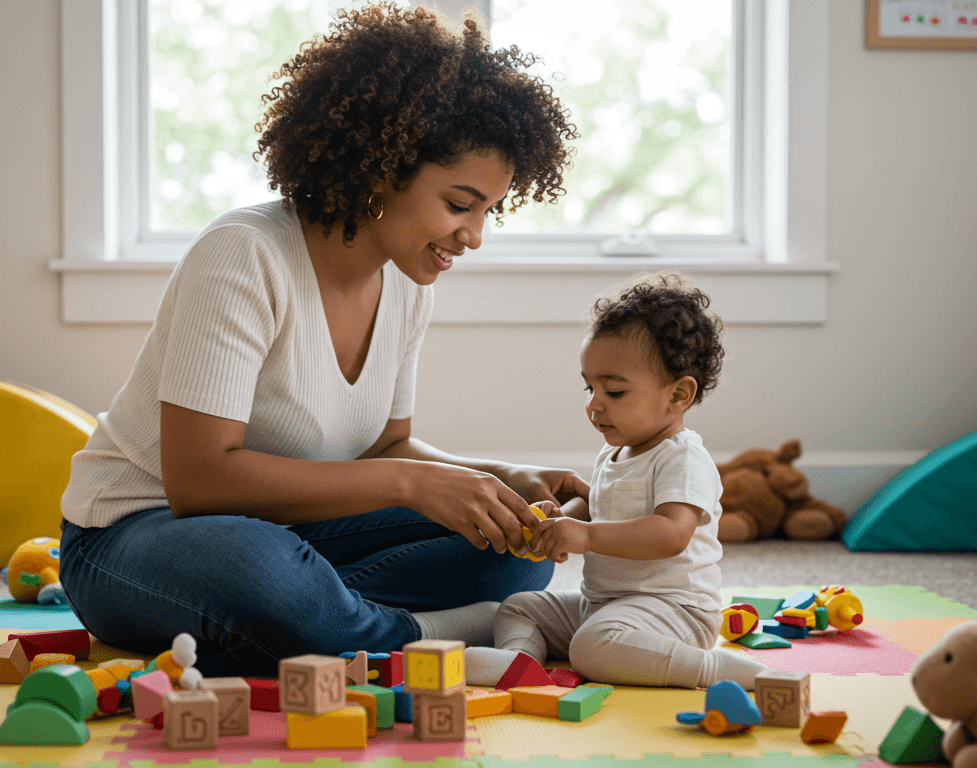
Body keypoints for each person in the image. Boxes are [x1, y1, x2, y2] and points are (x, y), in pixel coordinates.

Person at [56, 3, 584, 678]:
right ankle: (414, 629)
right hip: (136, 535)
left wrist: (493, 479)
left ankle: (309, 628)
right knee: (260, 568)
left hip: (292, 532)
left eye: (488, 211)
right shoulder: (243, 254)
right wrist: (413, 484)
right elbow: (199, 482)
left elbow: (385, 446)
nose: (473, 235)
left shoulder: (407, 283)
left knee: (510, 542)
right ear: (381, 168)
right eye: (458, 204)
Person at [464, 273, 772, 689]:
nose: (593, 404)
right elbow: (600, 505)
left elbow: (670, 534)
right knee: (520, 607)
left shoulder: (683, 457)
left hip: (674, 609)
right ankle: (518, 664)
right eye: (590, 388)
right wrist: (557, 520)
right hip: (605, 603)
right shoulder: (616, 452)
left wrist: (586, 536)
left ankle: (713, 670)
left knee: (592, 648)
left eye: (614, 392)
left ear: (678, 395)